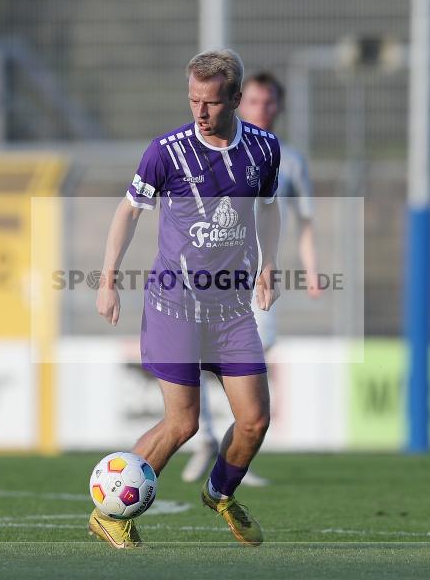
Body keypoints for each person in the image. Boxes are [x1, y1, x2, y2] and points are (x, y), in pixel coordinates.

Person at [94, 49, 281, 548]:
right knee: (182, 422)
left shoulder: (264, 149)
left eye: (212, 103)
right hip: (174, 304)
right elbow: (129, 212)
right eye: (193, 99)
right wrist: (108, 277)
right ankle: (110, 513)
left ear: (237, 100)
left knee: (255, 420)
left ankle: (220, 493)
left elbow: (268, 209)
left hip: (230, 308)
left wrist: (268, 265)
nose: (200, 111)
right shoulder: (166, 151)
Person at [181, 71, 321, 486]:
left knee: (250, 360)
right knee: (200, 359)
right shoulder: (216, 150)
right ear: (243, 103)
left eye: (269, 102)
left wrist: (312, 271)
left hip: (260, 284)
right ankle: (206, 439)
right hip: (215, 279)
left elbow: (304, 220)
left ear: (278, 106)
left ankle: (234, 450)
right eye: (255, 101)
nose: (262, 108)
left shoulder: (289, 158)